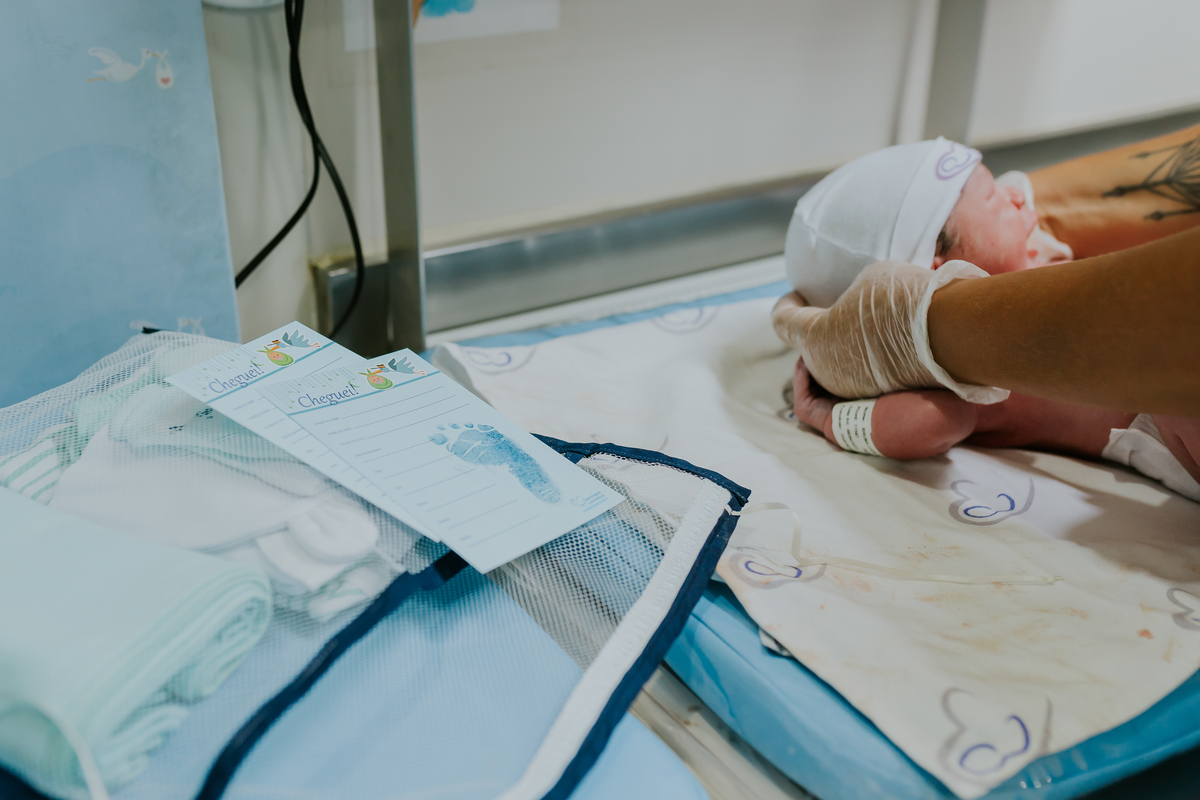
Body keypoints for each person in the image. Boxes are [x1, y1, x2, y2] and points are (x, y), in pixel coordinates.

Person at [773, 128, 1200, 500]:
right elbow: (938, 423)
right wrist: (829, 418)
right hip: (1163, 427)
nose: (1016, 194)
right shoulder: (948, 367)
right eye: (993, 196)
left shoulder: (1038, 254)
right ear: (933, 266)